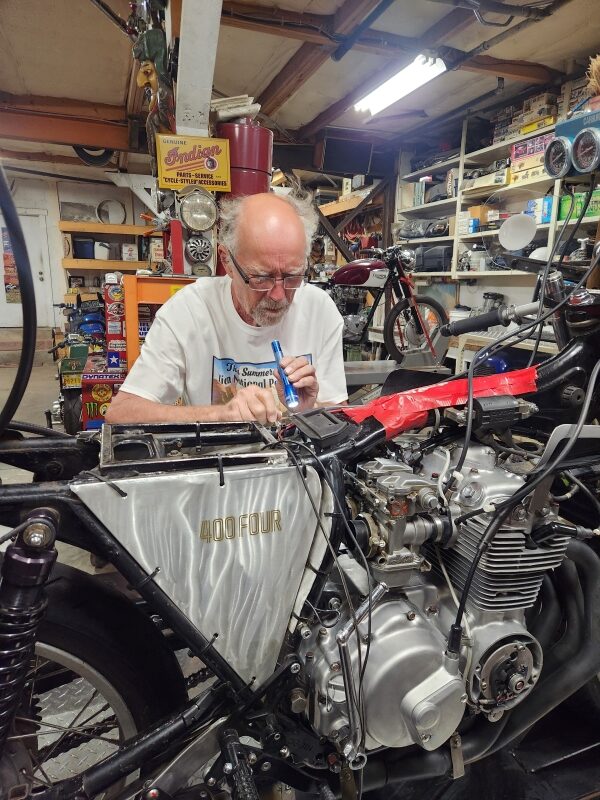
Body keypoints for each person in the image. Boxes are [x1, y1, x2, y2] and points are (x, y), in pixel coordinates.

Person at [106, 192, 348, 426]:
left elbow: (341, 417)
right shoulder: (189, 310)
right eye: (261, 278)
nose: (278, 295)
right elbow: (121, 412)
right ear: (227, 261)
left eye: (292, 276)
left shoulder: (320, 311)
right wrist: (221, 414)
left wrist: (309, 411)